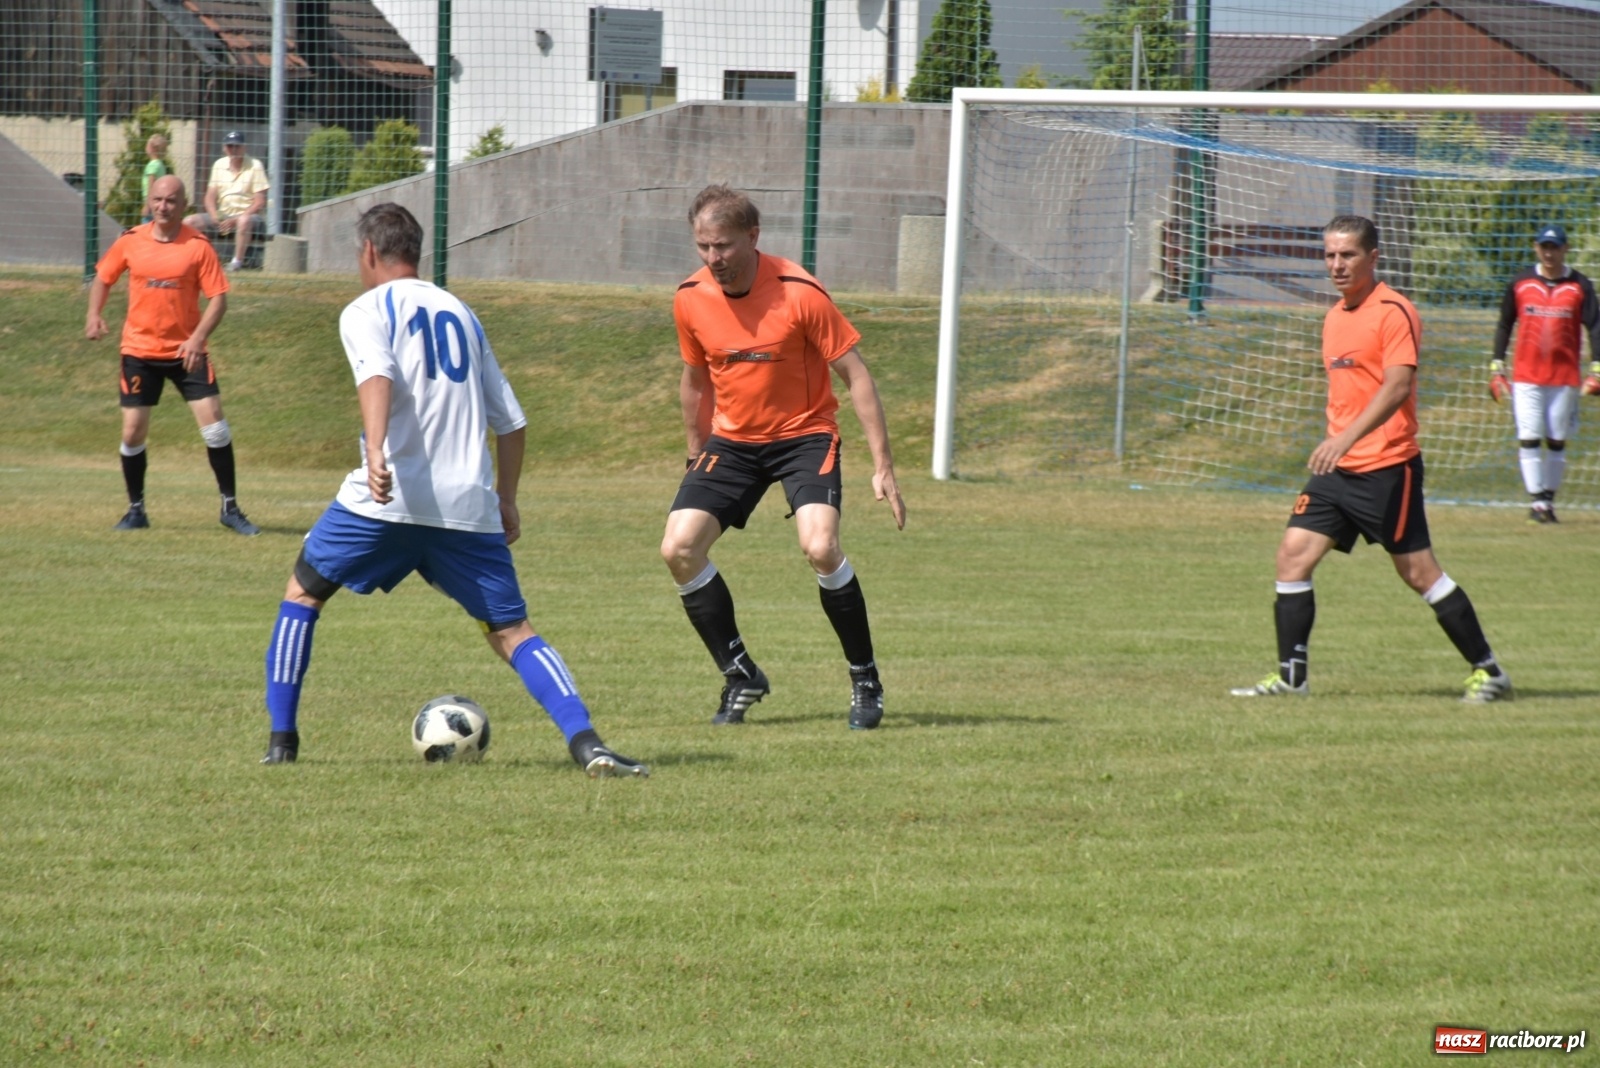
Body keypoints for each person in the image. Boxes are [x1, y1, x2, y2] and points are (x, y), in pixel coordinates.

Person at [259, 202, 647, 778]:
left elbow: (377, 375)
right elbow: (511, 422)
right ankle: (587, 744)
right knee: (513, 631)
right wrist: (507, 499)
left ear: (369, 252)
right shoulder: (462, 312)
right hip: (468, 504)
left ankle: (281, 744)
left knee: (303, 594)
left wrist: (373, 451)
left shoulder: (366, 308)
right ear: (416, 252)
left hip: (387, 499)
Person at [1232, 215, 1512, 704]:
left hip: (1387, 468)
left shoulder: (1393, 311)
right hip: (1337, 472)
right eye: (1330, 255)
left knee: (1419, 574)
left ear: (1373, 258)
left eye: (1348, 255)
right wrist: (1338, 445)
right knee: (1292, 557)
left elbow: (1397, 385)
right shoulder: (1335, 316)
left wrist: (1345, 438)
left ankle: (1489, 672)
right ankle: (1292, 677)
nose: (1337, 265)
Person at [661, 184, 906, 730]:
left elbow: (856, 375)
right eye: (702, 246)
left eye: (722, 246)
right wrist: (695, 454)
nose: (712, 259)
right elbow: (695, 381)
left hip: (805, 436)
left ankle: (865, 679)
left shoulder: (800, 293)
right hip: (733, 443)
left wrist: (883, 464)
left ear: (752, 237)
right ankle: (740, 672)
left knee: (820, 547)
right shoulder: (690, 297)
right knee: (678, 549)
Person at [85, 174, 260, 536]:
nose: (164, 207)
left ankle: (230, 508)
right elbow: (103, 278)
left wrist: (197, 339)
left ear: (184, 206)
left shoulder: (198, 246)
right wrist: (94, 315)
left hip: (186, 353)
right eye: (158, 200)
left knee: (215, 426)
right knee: (133, 431)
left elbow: (219, 300)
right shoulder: (131, 241)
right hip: (139, 350)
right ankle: (136, 510)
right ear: (150, 202)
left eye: (172, 201)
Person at [1489, 223, 1600, 524]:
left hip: (1564, 378)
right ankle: (1537, 502)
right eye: (1544, 247)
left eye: (1555, 247)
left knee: (1556, 439)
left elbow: (1595, 327)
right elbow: (1504, 324)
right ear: (1536, 248)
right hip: (1526, 376)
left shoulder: (1580, 285)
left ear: (1566, 249)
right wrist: (1497, 363)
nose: (1549, 253)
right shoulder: (1521, 282)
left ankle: (1548, 500)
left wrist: (1597, 367)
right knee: (1528, 437)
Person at [184, 130, 268, 272]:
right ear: (224, 148)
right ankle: (193, 260)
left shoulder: (255, 165)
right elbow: (209, 196)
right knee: (189, 222)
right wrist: (214, 215)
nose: (233, 150)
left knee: (244, 221)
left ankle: (236, 262)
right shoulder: (219, 165)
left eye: (237, 146)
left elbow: (259, 202)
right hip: (223, 216)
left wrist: (237, 219)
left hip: (249, 218)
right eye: (229, 146)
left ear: (244, 147)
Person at [139, 134, 168, 222]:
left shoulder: (152, 165)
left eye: (147, 145)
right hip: (157, 201)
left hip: (151, 202)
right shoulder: (160, 165)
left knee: (146, 226)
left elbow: (151, 186)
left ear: (152, 148)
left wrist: (147, 205)